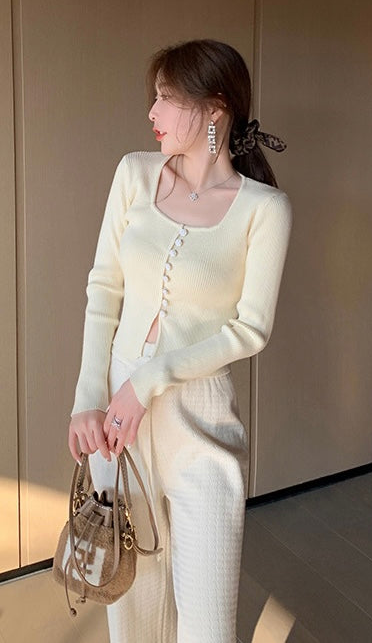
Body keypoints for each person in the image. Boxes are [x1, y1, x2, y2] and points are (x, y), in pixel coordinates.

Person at [66, 39, 292, 643]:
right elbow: (103, 289)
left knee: (208, 621)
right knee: (132, 602)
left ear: (214, 108)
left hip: (200, 417)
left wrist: (149, 380)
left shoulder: (265, 209)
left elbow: (250, 328)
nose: (152, 112)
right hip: (117, 420)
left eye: (166, 98)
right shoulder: (134, 174)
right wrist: (89, 398)